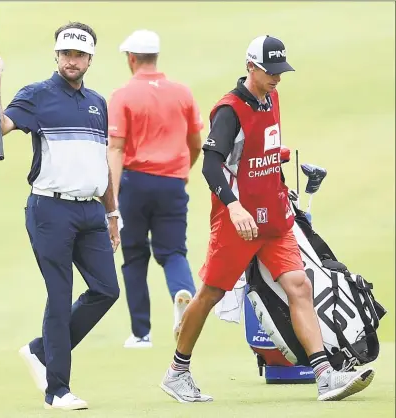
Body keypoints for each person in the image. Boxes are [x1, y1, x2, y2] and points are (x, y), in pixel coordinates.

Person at [160, 35, 375, 403]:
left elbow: (262, 152)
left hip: (274, 219)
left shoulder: (271, 98)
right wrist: (234, 206)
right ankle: (177, 372)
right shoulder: (229, 111)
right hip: (238, 223)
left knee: (299, 286)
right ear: (251, 67)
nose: (277, 78)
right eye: (270, 71)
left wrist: (278, 169)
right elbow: (212, 166)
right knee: (211, 294)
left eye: (280, 71)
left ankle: (324, 375)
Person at [0, 22, 120, 411]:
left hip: (91, 210)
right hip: (50, 209)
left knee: (107, 290)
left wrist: (112, 212)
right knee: (59, 298)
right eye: (66, 54)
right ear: (56, 56)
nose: (71, 61)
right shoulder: (36, 95)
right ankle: (57, 389)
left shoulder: (97, 102)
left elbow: (101, 163)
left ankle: (41, 350)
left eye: (79, 55)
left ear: (90, 59)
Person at [107, 29, 203, 349]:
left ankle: (141, 333)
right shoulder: (182, 92)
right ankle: (183, 299)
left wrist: (113, 197)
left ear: (131, 59)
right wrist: (179, 170)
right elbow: (195, 143)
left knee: (135, 256)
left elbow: (117, 149)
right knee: (173, 251)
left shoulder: (123, 95)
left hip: (135, 182)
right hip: (172, 182)